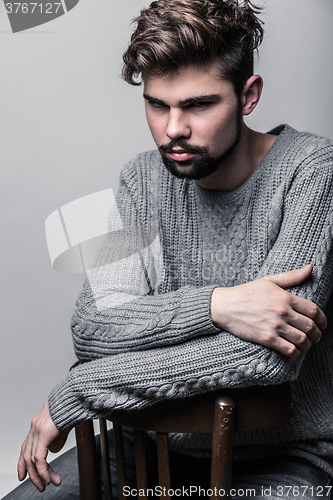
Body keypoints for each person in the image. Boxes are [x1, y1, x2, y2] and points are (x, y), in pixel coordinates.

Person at [6, 0, 333, 498]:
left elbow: (269, 357)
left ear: (249, 96)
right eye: (157, 104)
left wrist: (79, 390)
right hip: (144, 442)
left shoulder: (312, 172)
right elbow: (95, 329)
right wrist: (217, 305)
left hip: (281, 456)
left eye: (199, 105)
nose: (173, 129)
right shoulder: (142, 178)